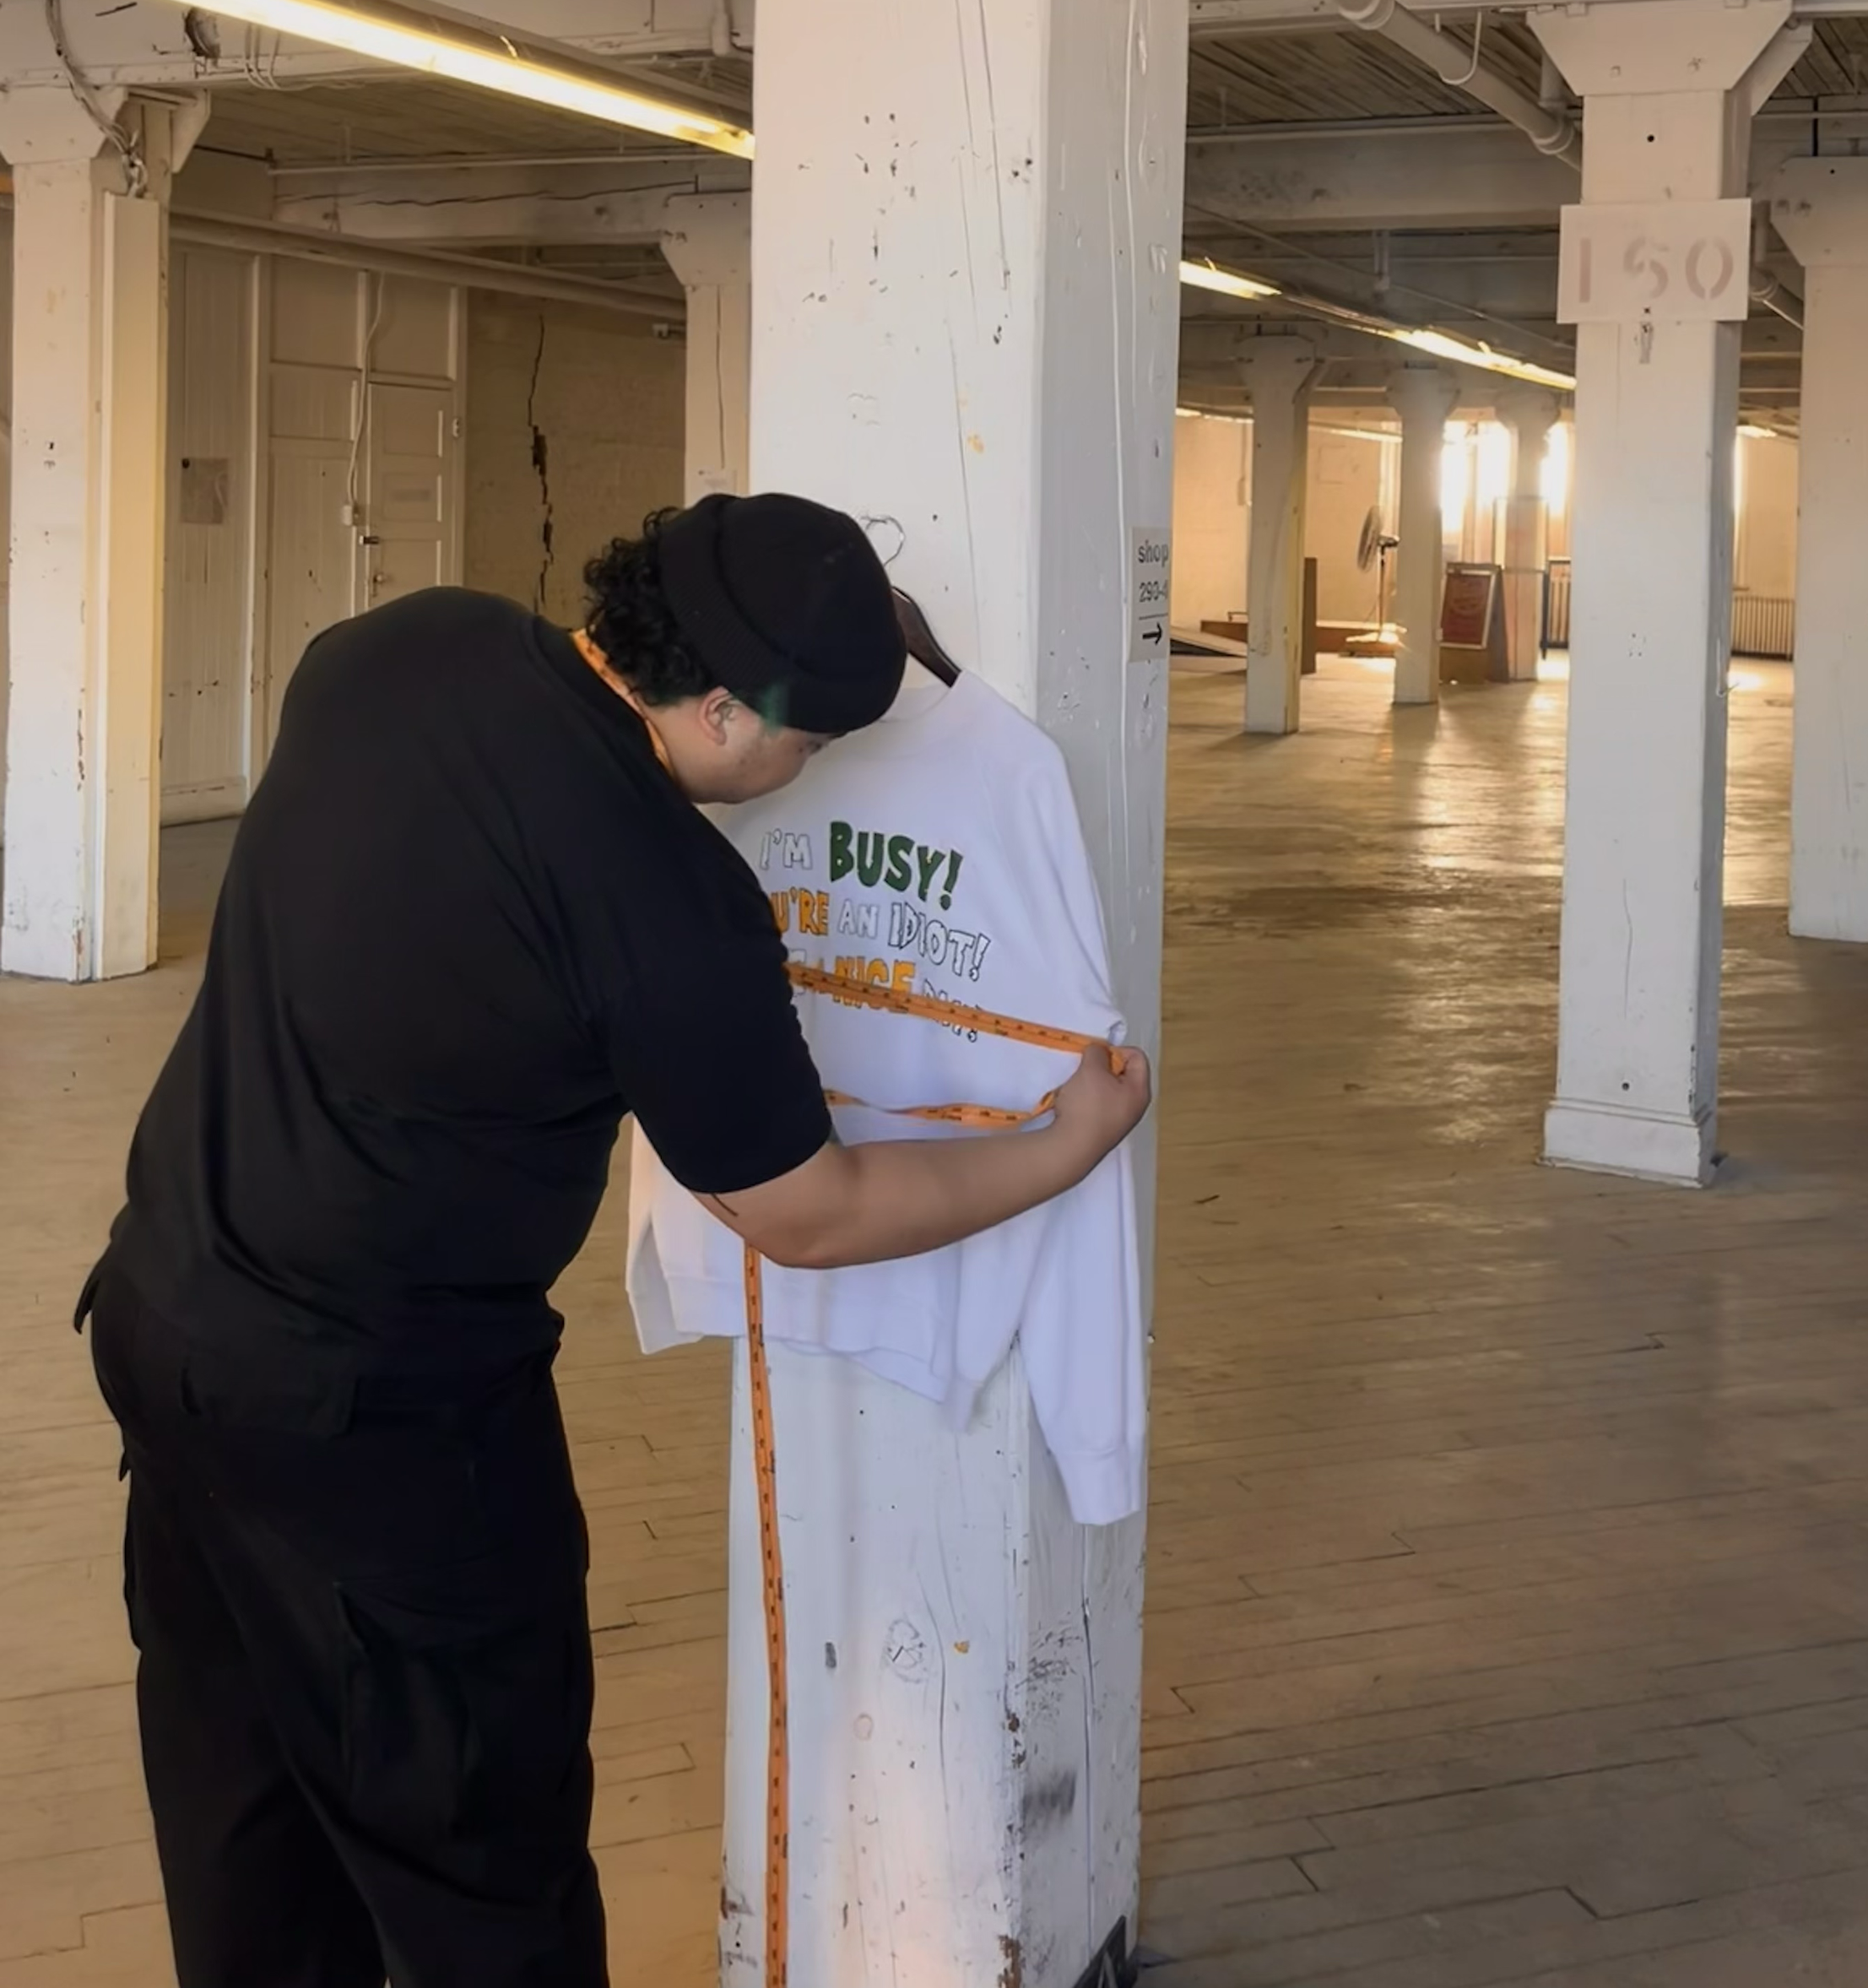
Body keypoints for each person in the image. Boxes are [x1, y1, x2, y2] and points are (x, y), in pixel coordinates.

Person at [81, 491, 1151, 1988]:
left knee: (239, 1808)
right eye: (806, 740)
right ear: (719, 709)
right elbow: (808, 1211)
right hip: (385, 1426)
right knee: (478, 1858)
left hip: (162, 1324)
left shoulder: (403, 647)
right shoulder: (669, 902)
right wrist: (1061, 1146)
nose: (804, 772)